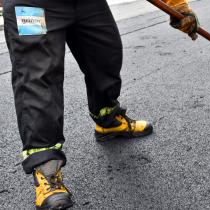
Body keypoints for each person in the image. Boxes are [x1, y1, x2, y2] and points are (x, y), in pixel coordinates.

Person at [3, 0, 199, 209]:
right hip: (33, 4)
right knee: (38, 76)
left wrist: (175, 4)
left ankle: (107, 120)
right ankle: (46, 169)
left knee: (106, 55)